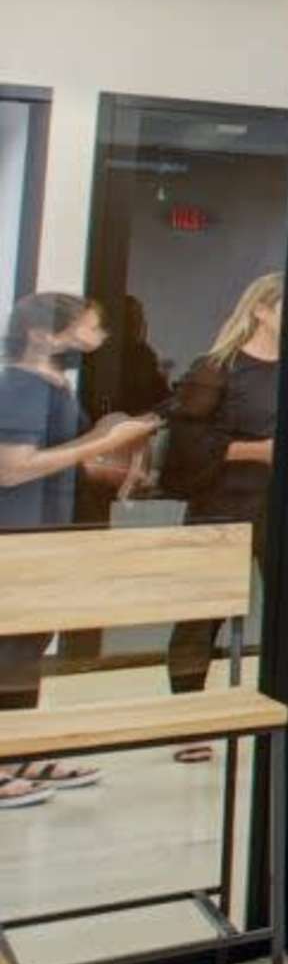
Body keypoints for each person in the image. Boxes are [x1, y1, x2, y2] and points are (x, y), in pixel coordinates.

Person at [1, 290, 161, 808]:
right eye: (88, 328)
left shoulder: (54, 387)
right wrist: (104, 444)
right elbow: (14, 467)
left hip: (47, 531)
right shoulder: (21, 387)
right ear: (44, 333)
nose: (98, 339)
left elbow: (60, 458)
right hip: (16, 534)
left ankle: (18, 750)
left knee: (27, 645)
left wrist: (118, 464)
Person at [157, 271, 286, 720]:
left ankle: (286, 704)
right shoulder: (216, 368)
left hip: (282, 505)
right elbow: (187, 445)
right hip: (223, 503)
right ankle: (187, 714)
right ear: (262, 310)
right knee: (202, 611)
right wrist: (258, 451)